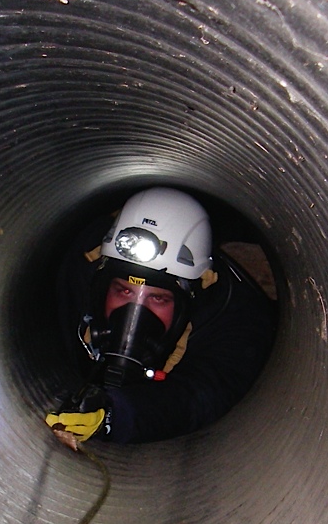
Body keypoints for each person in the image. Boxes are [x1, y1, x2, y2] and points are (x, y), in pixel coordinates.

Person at [45, 187, 276, 445]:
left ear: (189, 300)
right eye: (123, 290)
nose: (134, 314)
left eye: (157, 298)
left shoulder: (232, 317)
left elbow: (202, 395)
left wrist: (118, 415)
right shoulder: (78, 272)